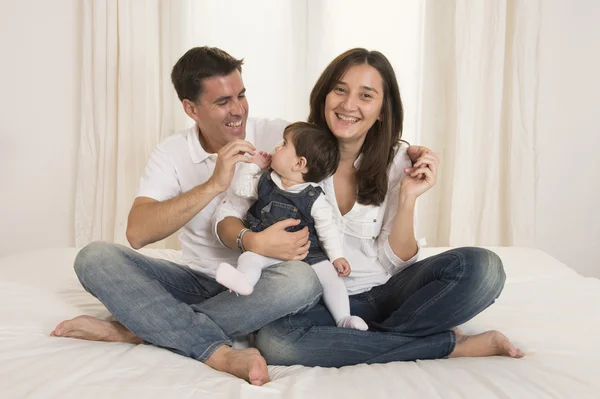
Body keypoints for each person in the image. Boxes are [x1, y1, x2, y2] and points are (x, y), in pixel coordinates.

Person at [215, 48, 524, 367]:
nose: (348, 105)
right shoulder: (295, 154)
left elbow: (398, 261)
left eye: (366, 95)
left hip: (391, 291)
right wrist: (251, 241)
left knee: (484, 269)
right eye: (340, 90)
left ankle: (367, 339)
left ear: (381, 111)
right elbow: (228, 215)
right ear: (325, 95)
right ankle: (444, 344)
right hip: (320, 299)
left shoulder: (399, 162)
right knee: (276, 342)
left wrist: (408, 198)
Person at [50, 46, 327, 386]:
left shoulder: (279, 136)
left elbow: (340, 157)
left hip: (257, 287)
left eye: (241, 95)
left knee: (303, 281)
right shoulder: (172, 151)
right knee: (94, 258)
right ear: (191, 108)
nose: (238, 109)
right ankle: (217, 351)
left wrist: (404, 155)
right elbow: (137, 233)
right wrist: (214, 183)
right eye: (223, 101)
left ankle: (135, 329)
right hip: (197, 283)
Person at [216, 122, 368, 330]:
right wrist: (254, 166)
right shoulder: (265, 181)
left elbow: (327, 230)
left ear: (299, 163)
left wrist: (336, 257)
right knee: (248, 257)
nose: (277, 147)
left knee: (330, 277)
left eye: (284, 145)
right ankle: (244, 282)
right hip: (266, 248)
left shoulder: (314, 199)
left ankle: (343, 318)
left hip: (307, 253)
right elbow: (241, 190)